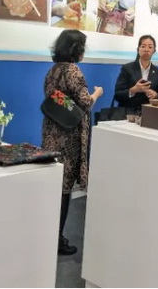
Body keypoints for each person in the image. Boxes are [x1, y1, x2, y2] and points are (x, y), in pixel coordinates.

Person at [42, 30, 103, 255]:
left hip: (52, 132)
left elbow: (58, 100)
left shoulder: (53, 70)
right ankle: (57, 239)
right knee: (65, 188)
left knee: (55, 186)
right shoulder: (73, 71)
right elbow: (85, 103)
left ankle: (49, 235)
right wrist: (96, 93)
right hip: (68, 137)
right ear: (77, 49)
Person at [114, 35, 158, 112]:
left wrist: (156, 95)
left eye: (150, 47)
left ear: (154, 51)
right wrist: (134, 90)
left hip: (150, 113)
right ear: (138, 49)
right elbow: (117, 95)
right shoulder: (127, 69)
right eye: (143, 46)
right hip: (128, 113)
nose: (146, 50)